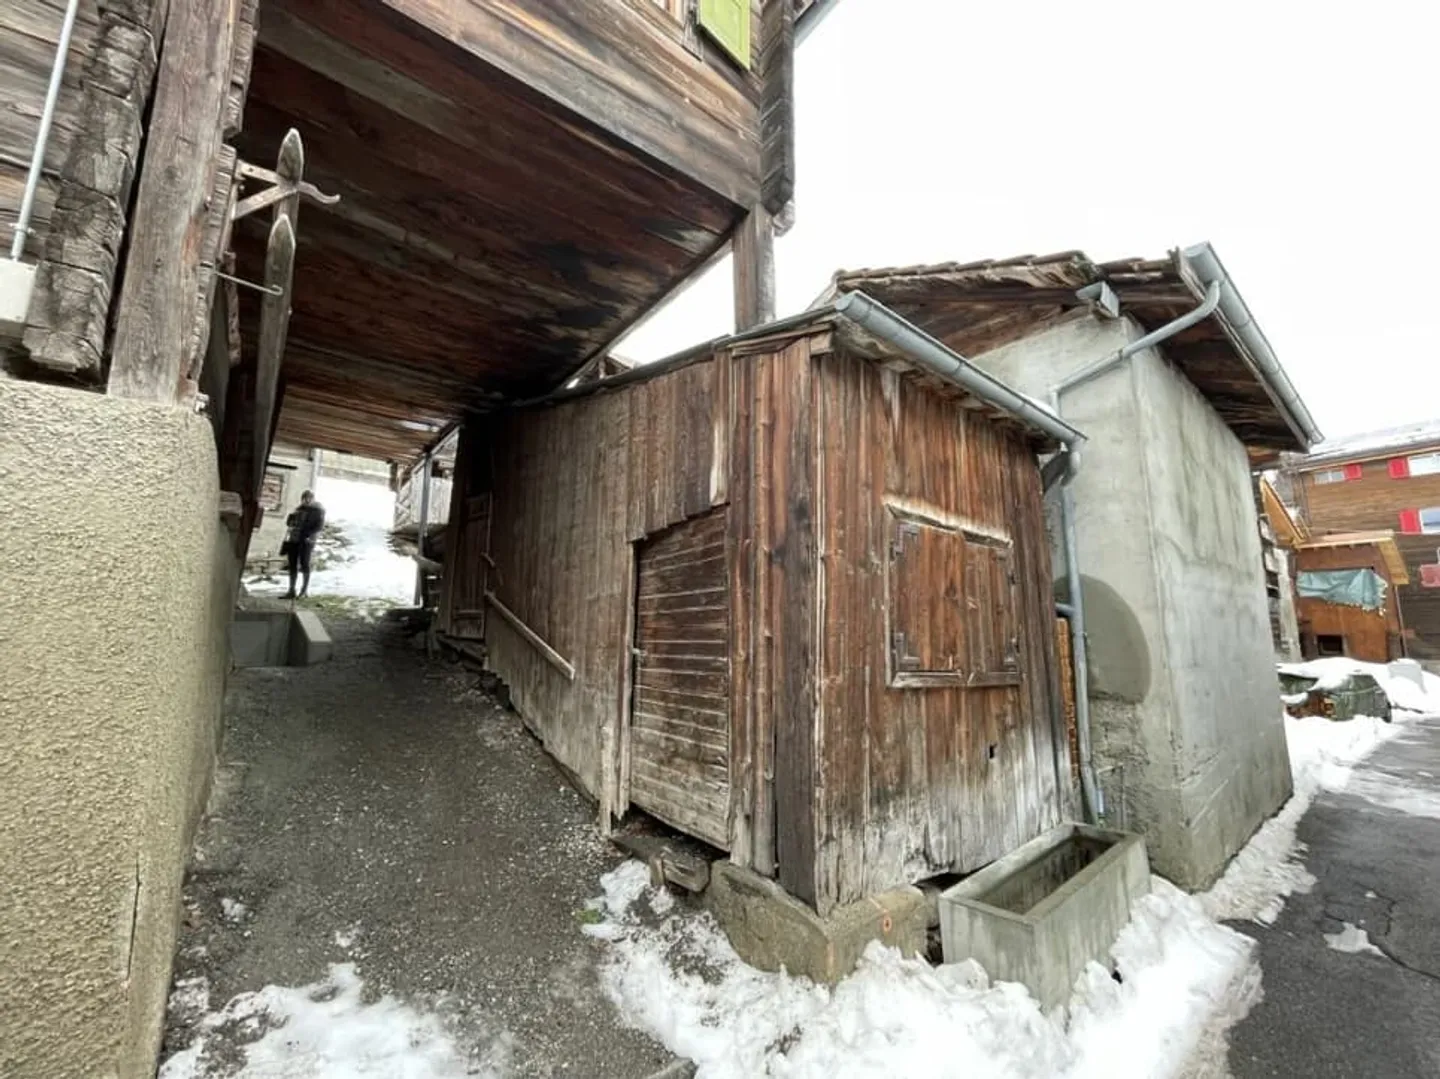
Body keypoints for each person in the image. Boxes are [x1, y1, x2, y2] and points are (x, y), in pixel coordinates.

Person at [282, 490, 326, 599]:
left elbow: (319, 526)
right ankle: (291, 590)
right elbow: (289, 524)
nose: (306, 500)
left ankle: (304, 590)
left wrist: (308, 535)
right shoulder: (298, 509)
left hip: (307, 541)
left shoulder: (318, 511)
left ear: (312, 499)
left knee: (304, 564)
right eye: (305, 498)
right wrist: (291, 518)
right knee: (292, 565)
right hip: (294, 539)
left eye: (309, 498)